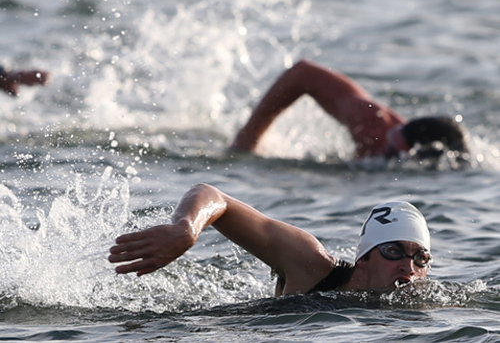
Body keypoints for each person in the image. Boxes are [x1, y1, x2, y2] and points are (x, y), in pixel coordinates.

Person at [109, 183, 432, 295]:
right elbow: (210, 194)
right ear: (364, 258)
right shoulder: (311, 265)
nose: (408, 264)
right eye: (393, 250)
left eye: (420, 258)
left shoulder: (421, 310)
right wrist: (186, 228)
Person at [230, 59, 468, 160]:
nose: (382, 148)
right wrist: (248, 138)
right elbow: (301, 73)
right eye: (389, 145)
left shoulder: (444, 165)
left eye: (392, 154)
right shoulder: (372, 123)